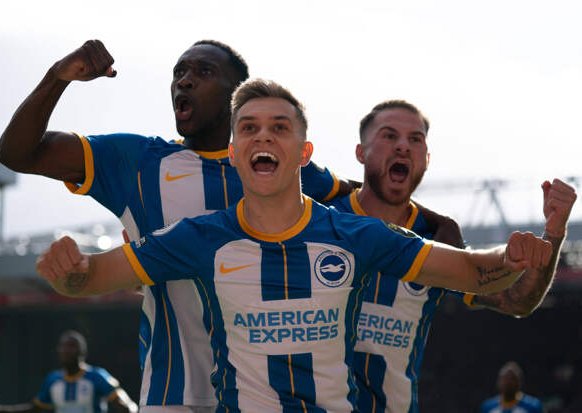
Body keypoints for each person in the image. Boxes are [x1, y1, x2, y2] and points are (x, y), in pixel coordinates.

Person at [34, 79, 552, 412]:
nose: (263, 137)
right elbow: (93, 277)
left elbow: (472, 271)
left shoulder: (355, 236)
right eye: (249, 128)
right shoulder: (200, 238)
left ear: (304, 152)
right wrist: (70, 270)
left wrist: (511, 258)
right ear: (233, 151)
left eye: (279, 128)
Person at [0, 40, 354, 412]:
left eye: (203, 72)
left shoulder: (282, 166)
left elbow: (365, 199)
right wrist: (57, 77)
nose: (184, 80)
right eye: (179, 72)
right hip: (172, 395)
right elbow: (17, 153)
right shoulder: (138, 162)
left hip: (269, 397)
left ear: (238, 96)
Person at [327, 100, 577, 412]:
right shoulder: (321, 220)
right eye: (389, 136)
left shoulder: (439, 240)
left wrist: (554, 233)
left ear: (426, 160)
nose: (403, 146)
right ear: (361, 153)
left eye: (415, 139)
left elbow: (517, 301)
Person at [0, 330, 137, 413]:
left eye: (71, 346)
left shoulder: (97, 376)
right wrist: (0, 410)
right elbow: (35, 409)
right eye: (62, 346)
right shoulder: (53, 380)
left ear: (82, 351)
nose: (65, 350)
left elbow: (126, 405)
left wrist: (132, 409)